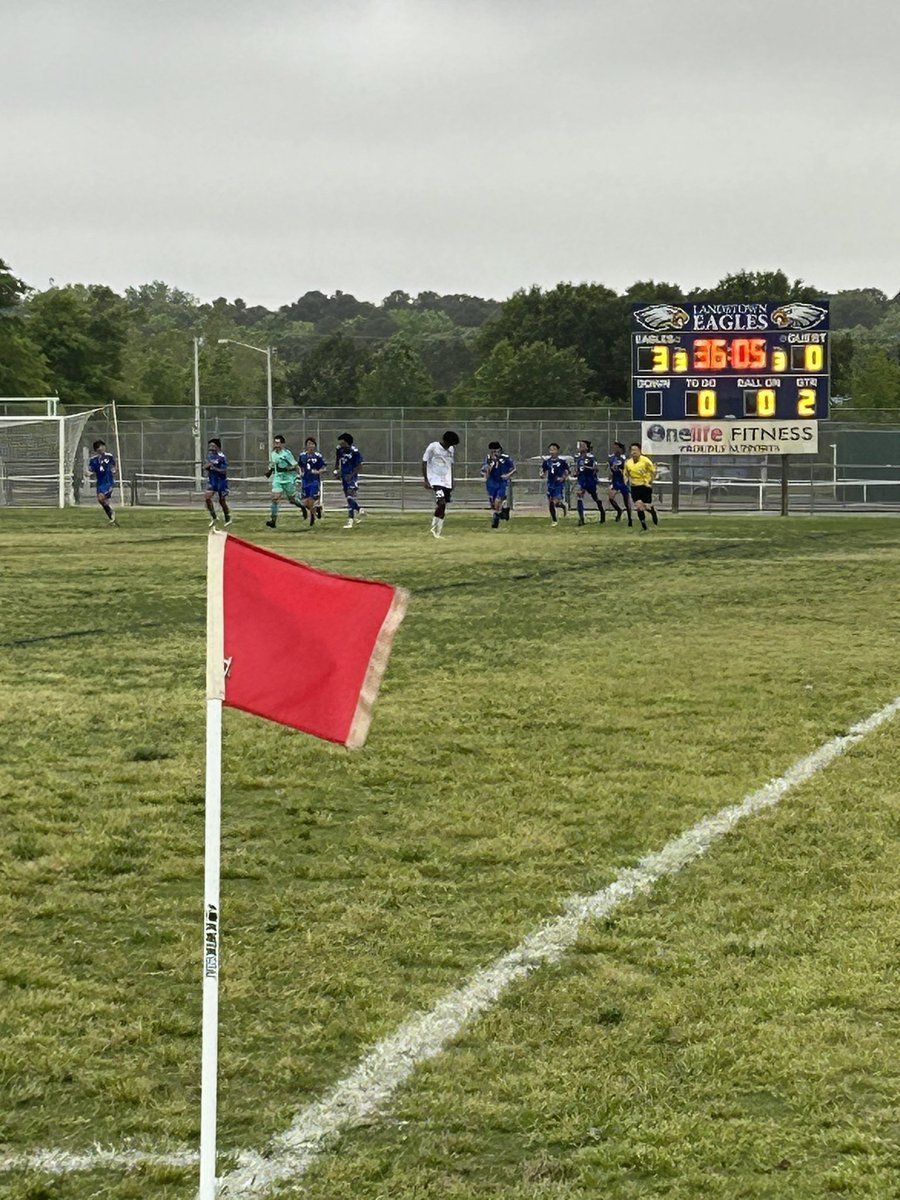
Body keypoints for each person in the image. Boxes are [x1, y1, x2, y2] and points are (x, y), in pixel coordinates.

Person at [422, 431, 460, 538]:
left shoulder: (451, 450)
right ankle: (433, 528)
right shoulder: (433, 447)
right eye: (450, 444)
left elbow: (450, 465)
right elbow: (424, 462)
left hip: (446, 481)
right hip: (435, 480)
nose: (451, 446)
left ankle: (438, 532)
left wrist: (452, 480)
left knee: (443, 506)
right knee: (441, 502)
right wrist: (426, 479)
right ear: (445, 441)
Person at [264, 434, 304, 529]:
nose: (276, 444)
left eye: (278, 443)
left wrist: (287, 468)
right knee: (275, 498)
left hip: (288, 479)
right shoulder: (273, 454)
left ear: (282, 444)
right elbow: (273, 465)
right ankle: (273, 520)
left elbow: (295, 465)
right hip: (278, 478)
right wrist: (270, 471)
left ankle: (303, 507)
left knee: (292, 500)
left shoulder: (286, 453)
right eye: (275, 442)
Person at [623, 442, 659, 530]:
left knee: (645, 506)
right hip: (635, 487)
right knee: (639, 507)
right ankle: (643, 524)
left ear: (640, 451)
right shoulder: (628, 463)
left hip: (645, 486)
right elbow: (626, 474)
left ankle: (652, 511)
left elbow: (653, 471)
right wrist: (626, 481)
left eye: (635, 450)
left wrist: (651, 481)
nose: (633, 452)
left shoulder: (645, 460)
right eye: (632, 450)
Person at [481, 441, 516, 529]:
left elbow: (514, 469)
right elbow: (485, 471)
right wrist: (489, 467)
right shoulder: (488, 459)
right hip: (491, 482)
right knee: (494, 504)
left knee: (498, 500)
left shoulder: (505, 458)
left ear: (499, 450)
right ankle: (502, 513)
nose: (494, 453)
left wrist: (507, 475)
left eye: (496, 451)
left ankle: (495, 518)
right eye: (492, 451)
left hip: (501, 482)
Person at [334, 432, 364, 529]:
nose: (340, 444)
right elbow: (337, 461)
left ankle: (350, 520)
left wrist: (351, 475)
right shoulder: (339, 450)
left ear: (346, 442)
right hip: (344, 477)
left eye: (342, 441)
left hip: (352, 477)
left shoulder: (354, 451)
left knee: (350, 497)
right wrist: (336, 471)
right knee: (348, 498)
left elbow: (359, 466)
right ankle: (359, 510)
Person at [573, 439, 606, 525]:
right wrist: (576, 473)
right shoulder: (577, 457)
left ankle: (602, 511)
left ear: (587, 447)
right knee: (579, 495)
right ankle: (581, 519)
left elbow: (596, 469)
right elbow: (577, 467)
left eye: (582, 445)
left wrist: (587, 467)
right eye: (580, 445)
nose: (580, 447)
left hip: (590, 480)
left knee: (595, 497)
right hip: (582, 480)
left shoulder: (591, 457)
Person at [299, 437, 327, 527]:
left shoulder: (318, 456)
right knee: (305, 503)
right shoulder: (302, 456)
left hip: (314, 481)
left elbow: (324, 468)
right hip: (305, 481)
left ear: (315, 445)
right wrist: (301, 472)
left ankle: (312, 517)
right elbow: (299, 466)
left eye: (312, 444)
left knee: (311, 500)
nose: (310, 446)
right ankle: (317, 509)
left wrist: (318, 472)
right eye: (308, 444)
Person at [88, 439, 118, 525]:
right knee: (101, 500)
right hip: (100, 483)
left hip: (108, 482)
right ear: (96, 450)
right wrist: (89, 473)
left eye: (102, 446)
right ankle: (112, 517)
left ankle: (111, 513)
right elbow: (92, 470)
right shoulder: (93, 460)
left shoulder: (109, 456)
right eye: (98, 447)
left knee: (101, 497)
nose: (101, 448)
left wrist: (115, 470)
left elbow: (114, 465)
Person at [204, 438, 231, 529]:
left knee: (222, 501)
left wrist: (214, 468)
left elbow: (224, 471)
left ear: (217, 447)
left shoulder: (222, 457)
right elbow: (207, 466)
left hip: (221, 482)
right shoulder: (210, 456)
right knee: (207, 498)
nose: (210, 448)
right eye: (210, 446)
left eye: (213, 446)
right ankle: (214, 517)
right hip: (212, 481)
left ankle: (228, 518)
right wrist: (207, 467)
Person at [541, 442, 570, 526]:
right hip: (550, 483)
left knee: (554, 501)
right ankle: (555, 518)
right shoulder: (547, 462)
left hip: (559, 484)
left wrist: (563, 478)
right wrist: (542, 475)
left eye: (554, 449)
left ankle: (556, 518)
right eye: (550, 449)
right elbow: (544, 471)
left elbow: (567, 471)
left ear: (557, 451)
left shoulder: (562, 462)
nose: (552, 451)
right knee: (552, 502)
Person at [607, 441, 633, 525]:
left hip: (623, 482)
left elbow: (627, 469)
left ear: (620, 449)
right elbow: (610, 468)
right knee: (611, 497)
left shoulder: (625, 458)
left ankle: (630, 519)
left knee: (626, 501)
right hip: (615, 481)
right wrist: (611, 473)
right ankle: (619, 511)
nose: (615, 449)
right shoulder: (611, 458)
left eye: (616, 447)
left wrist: (622, 470)